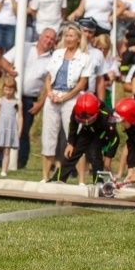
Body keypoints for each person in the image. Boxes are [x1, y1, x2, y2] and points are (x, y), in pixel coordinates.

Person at [40, 23, 93, 182]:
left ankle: (81, 179)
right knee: (48, 136)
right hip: (54, 94)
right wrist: (50, 92)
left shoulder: (84, 58)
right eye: (66, 36)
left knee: (74, 137)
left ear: (78, 39)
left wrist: (64, 98)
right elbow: (48, 76)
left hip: (71, 97)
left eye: (71, 36)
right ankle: (44, 177)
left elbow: (82, 83)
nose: (68, 39)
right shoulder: (57, 54)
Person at [1, 28, 57, 169]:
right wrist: (9, 70)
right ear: (40, 36)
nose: (48, 40)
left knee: (23, 131)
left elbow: (49, 84)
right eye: (46, 37)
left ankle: (20, 161)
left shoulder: (52, 59)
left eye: (52, 39)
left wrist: (40, 104)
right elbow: (4, 60)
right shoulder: (24, 47)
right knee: (5, 126)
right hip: (12, 95)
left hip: (30, 99)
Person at [47, 92, 119, 185]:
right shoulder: (77, 109)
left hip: (102, 131)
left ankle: (98, 182)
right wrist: (71, 143)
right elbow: (73, 125)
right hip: (88, 129)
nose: (85, 121)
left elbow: (115, 138)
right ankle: (57, 179)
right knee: (72, 152)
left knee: (94, 151)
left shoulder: (107, 116)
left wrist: (108, 156)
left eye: (87, 119)